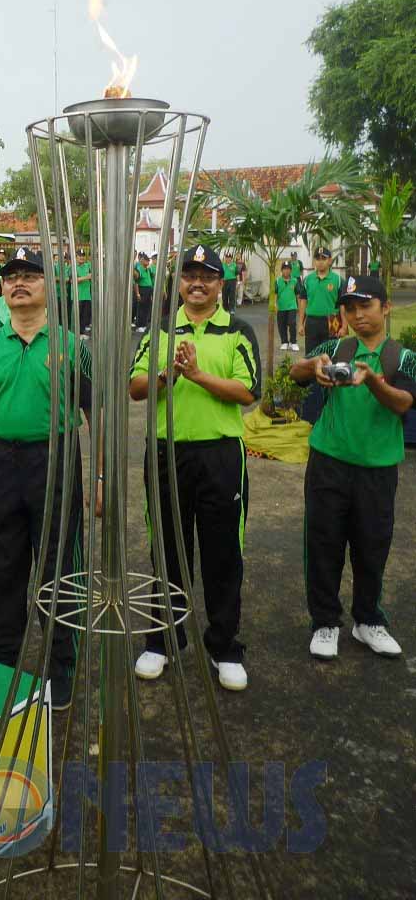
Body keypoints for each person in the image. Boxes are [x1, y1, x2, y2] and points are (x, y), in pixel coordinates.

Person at [0, 249, 89, 710]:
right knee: (5, 566)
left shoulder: (72, 346)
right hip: (4, 465)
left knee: (59, 570)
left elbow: (97, 411)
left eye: (30, 276)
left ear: (50, 287)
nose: (19, 283)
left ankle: (62, 668)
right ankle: (1, 659)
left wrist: (104, 477)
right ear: (1, 288)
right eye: (11, 276)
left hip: (55, 462)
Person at [130, 244, 261, 692]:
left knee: (223, 552)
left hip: (221, 455)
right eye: (189, 275)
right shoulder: (160, 331)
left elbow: (247, 392)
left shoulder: (237, 331)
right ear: (178, 282)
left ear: (220, 283)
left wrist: (198, 374)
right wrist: (169, 373)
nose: (197, 283)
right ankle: (164, 641)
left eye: (206, 275)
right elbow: (136, 386)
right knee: (167, 548)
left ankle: (224, 646)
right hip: (168, 454)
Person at [291, 276, 414, 661]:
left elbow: (402, 404)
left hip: (377, 468)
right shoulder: (335, 347)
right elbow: (296, 374)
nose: (358, 314)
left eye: (366, 305)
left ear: (385, 307)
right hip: (329, 461)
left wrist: (373, 381)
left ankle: (367, 620)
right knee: (323, 542)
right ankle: (325, 622)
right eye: (350, 307)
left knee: (372, 546)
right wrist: (313, 366)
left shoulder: (402, 357)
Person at [300, 249, 342, 354]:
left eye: (324, 258)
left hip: (333, 320)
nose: (320, 262)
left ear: (330, 261)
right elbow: (303, 302)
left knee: (331, 355)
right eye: (317, 259)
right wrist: (301, 323)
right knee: (311, 354)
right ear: (314, 261)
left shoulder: (338, 280)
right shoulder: (307, 280)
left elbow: (343, 304)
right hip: (312, 320)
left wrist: (344, 326)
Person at [275, 261, 301, 351]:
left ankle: (293, 342)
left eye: (288, 269)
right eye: (284, 269)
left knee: (292, 323)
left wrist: (299, 307)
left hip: (292, 306)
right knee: (281, 325)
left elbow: (298, 294)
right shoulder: (278, 281)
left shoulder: (294, 281)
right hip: (281, 307)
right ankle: (284, 342)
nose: (286, 271)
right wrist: (275, 304)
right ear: (282, 270)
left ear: (291, 270)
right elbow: (275, 294)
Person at [74, 250, 93, 334]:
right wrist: (86, 277)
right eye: (79, 256)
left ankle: (82, 332)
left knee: (85, 316)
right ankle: (77, 334)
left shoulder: (87, 266)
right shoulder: (73, 267)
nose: (81, 257)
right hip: (78, 296)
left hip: (87, 295)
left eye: (83, 255)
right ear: (76, 257)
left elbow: (92, 275)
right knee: (78, 316)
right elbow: (73, 280)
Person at [134, 252, 153, 332]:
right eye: (147, 260)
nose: (148, 262)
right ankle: (139, 325)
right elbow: (136, 282)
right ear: (142, 260)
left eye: (149, 260)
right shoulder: (139, 269)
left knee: (147, 308)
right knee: (141, 308)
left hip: (148, 290)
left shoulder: (147, 269)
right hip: (142, 290)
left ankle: (144, 324)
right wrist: (137, 293)